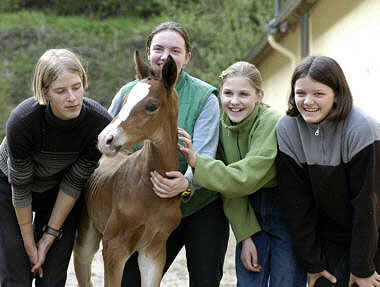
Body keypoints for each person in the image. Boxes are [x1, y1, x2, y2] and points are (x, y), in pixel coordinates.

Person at [108, 21, 230, 286]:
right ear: (148, 52)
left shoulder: (205, 97)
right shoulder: (129, 93)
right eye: (158, 49)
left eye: (175, 50)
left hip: (200, 207)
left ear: (186, 57)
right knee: (133, 281)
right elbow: (108, 141)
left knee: (205, 280)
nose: (165, 56)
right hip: (149, 207)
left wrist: (186, 182)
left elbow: (205, 154)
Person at [169, 61, 306, 286]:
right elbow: (227, 187)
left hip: (285, 209)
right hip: (246, 206)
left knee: (286, 280)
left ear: (259, 95)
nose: (234, 101)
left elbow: (245, 176)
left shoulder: (271, 122)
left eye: (244, 94)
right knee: (249, 279)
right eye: (228, 93)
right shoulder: (221, 125)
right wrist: (246, 235)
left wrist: (197, 163)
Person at [0, 48, 112, 286]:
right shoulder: (23, 122)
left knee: (51, 278)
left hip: (59, 189)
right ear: (44, 91)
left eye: (76, 86)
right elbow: (20, 187)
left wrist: (47, 238)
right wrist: (31, 246)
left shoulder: (99, 123)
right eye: (61, 91)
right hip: (9, 187)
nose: (72, 97)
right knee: (16, 275)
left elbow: (74, 182)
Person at [275, 55, 380, 287]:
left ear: (337, 94)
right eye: (300, 93)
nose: (308, 101)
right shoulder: (287, 128)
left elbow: (368, 203)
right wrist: (313, 263)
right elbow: (296, 203)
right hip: (330, 236)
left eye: (319, 94)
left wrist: (363, 267)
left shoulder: (362, 128)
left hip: (373, 232)